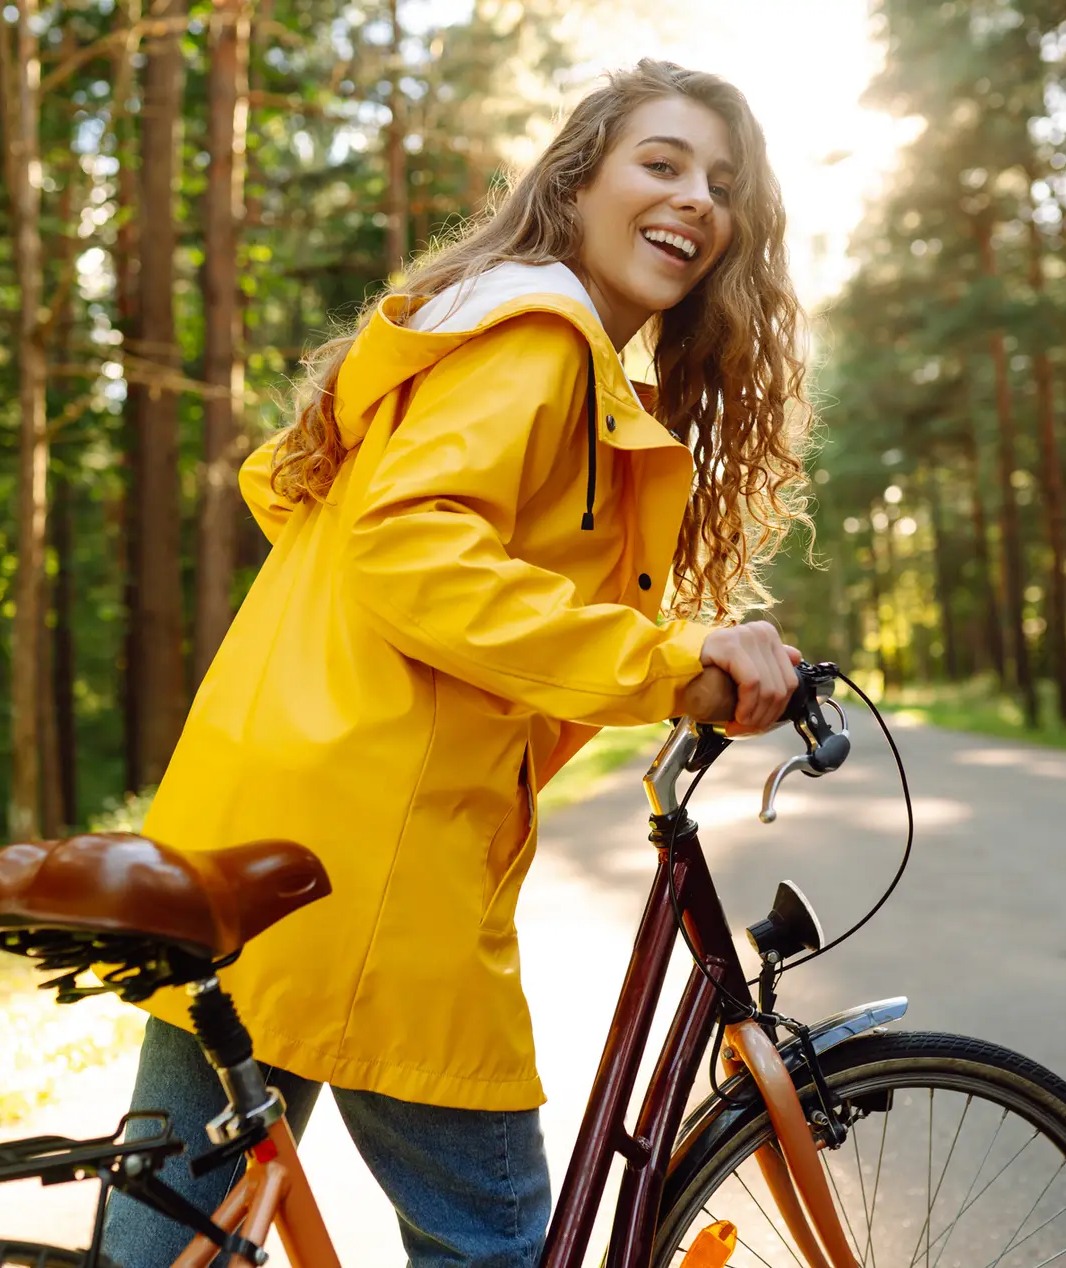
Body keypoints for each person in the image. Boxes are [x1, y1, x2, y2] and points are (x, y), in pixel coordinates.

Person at [103, 58, 812, 1268]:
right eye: (662, 162)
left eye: (721, 182)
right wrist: (672, 657)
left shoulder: (502, 334)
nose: (697, 197)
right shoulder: (535, 339)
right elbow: (418, 560)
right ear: (577, 182)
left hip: (267, 817)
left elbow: (385, 555)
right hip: (374, 860)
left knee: (166, 1240)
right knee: (491, 1242)